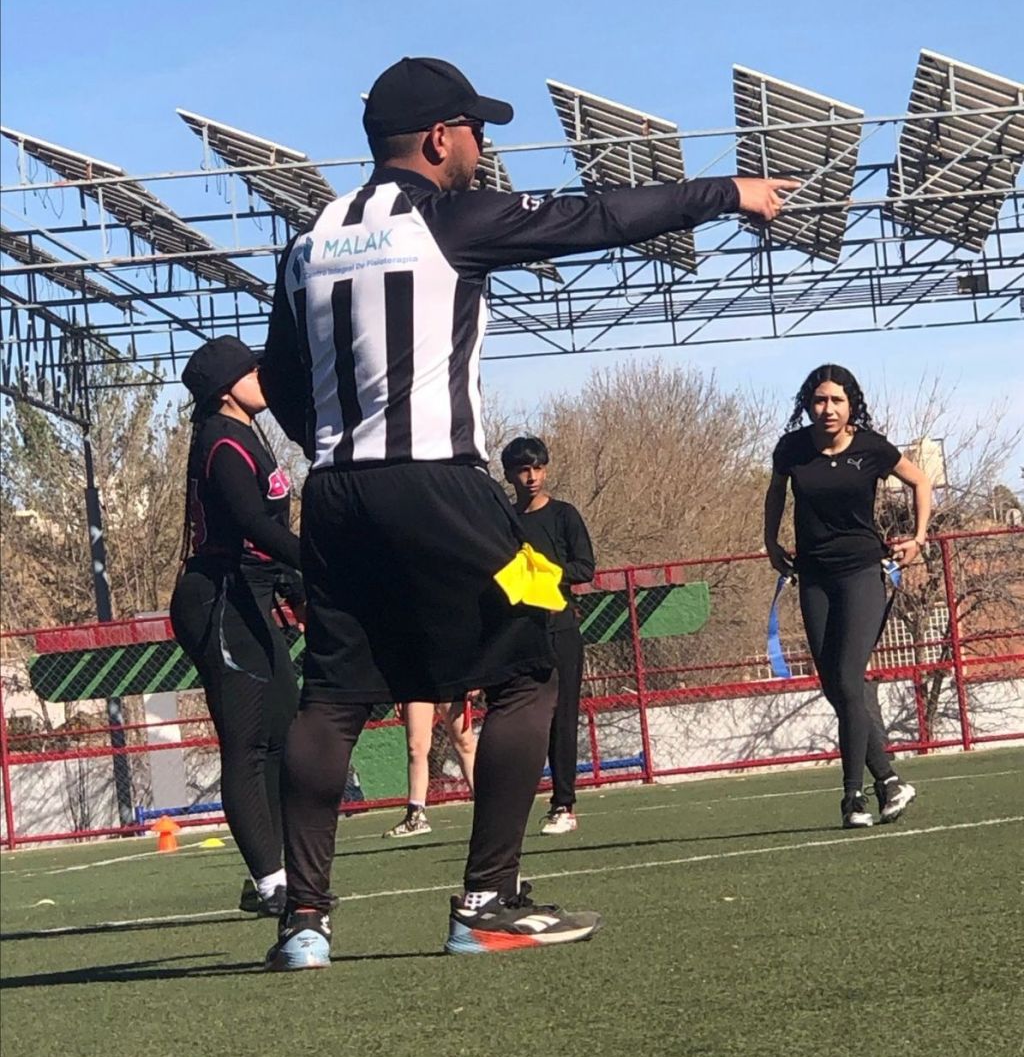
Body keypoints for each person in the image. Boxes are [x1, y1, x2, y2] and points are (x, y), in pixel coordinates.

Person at [260, 54, 797, 969]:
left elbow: (277, 378)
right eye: (477, 132)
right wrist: (726, 192)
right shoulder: (450, 220)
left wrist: (340, 443)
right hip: (441, 487)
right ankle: (486, 899)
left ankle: (304, 919)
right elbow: (595, 219)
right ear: (439, 138)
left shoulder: (312, 236)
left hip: (337, 496)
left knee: (335, 695)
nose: (482, 149)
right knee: (542, 639)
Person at [169, 337, 304, 916]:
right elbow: (251, 521)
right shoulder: (222, 441)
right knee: (247, 743)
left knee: (283, 729)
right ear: (227, 385)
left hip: (250, 594)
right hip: (218, 599)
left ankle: (279, 870)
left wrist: (299, 585)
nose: (261, 375)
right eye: (252, 369)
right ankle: (272, 881)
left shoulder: (249, 432)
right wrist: (317, 559)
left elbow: (270, 533)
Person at [763, 364, 931, 829]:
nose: (828, 408)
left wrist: (917, 539)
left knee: (847, 676)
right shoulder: (792, 448)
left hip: (861, 573)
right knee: (835, 685)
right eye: (819, 400)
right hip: (813, 576)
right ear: (808, 404)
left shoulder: (872, 448)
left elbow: (920, 482)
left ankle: (852, 797)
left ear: (851, 403)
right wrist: (772, 543)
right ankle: (890, 782)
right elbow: (775, 494)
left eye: (837, 400)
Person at [502, 436, 594, 834]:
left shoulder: (564, 516)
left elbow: (585, 567)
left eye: (538, 467)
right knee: (517, 720)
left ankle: (564, 805)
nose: (532, 477)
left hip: (561, 630)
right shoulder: (504, 519)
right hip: (517, 635)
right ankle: (511, 805)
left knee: (562, 718)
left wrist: (549, 572)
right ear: (508, 474)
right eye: (523, 469)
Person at [383, 700, 477, 838]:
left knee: (464, 743)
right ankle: (415, 816)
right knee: (416, 747)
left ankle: (488, 807)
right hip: (418, 684)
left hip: (450, 681)